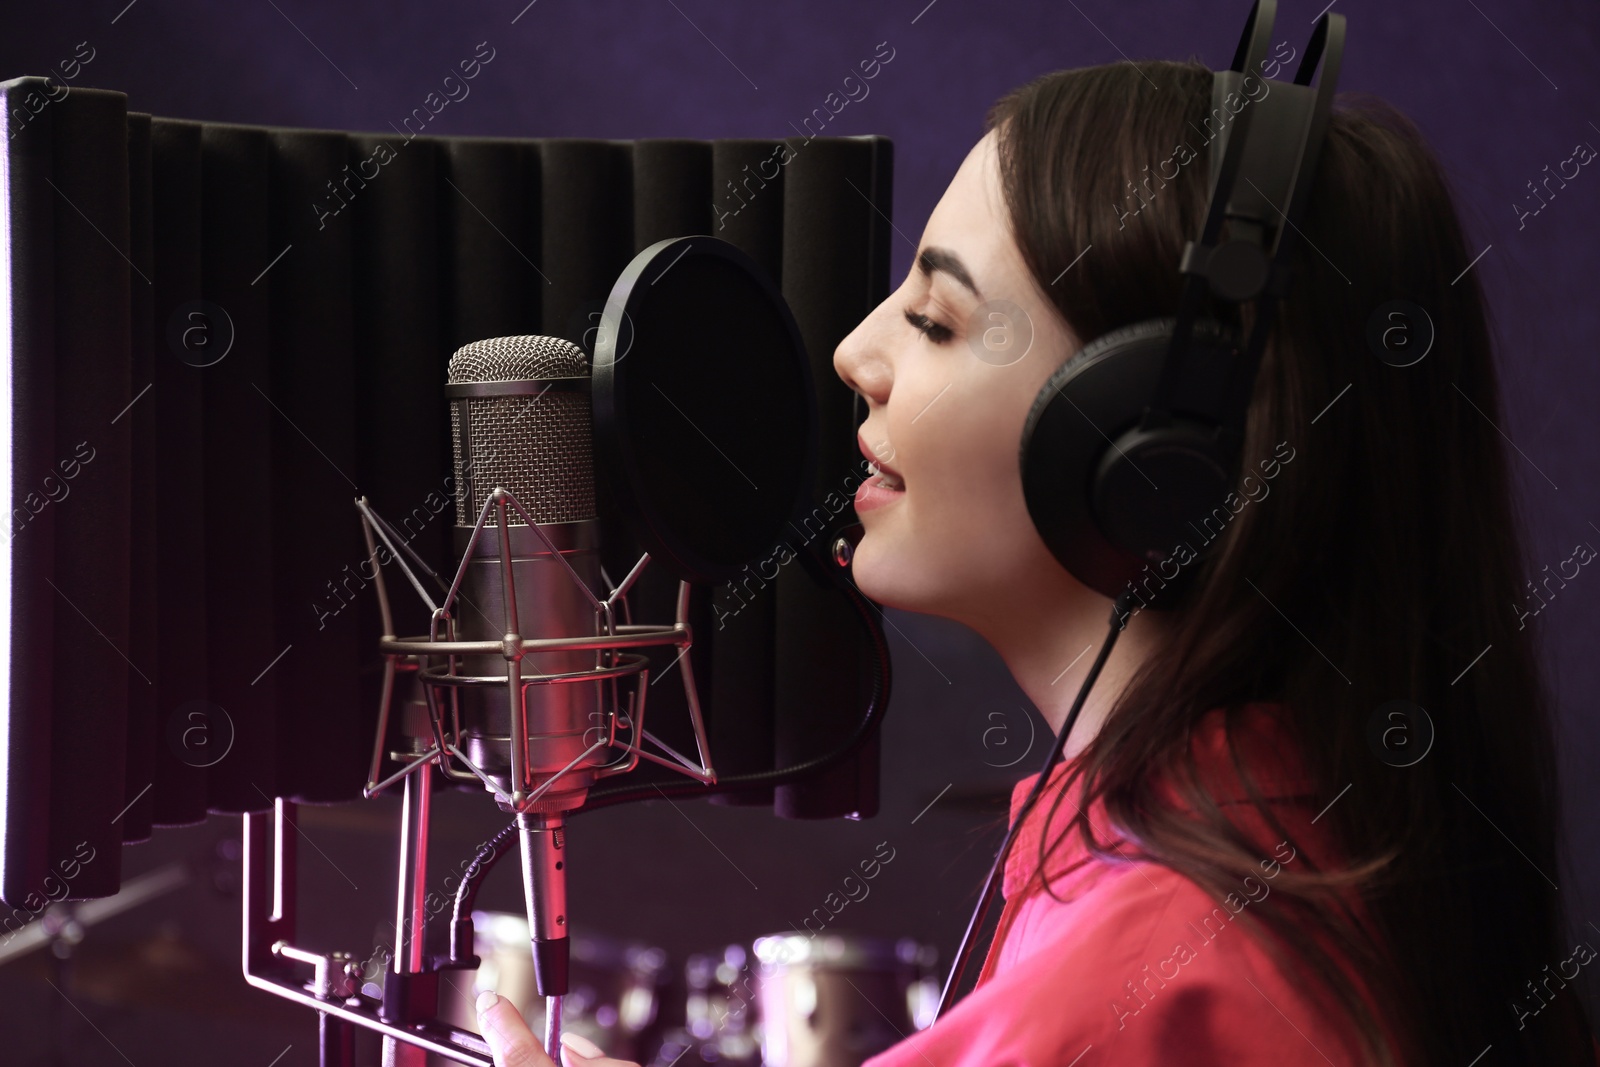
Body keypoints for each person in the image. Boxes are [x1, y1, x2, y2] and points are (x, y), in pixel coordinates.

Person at [481, 57, 1597, 1067]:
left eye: (934, 318)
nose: (854, 352)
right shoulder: (1298, 846)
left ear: (1146, 454)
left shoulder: (1142, 986)